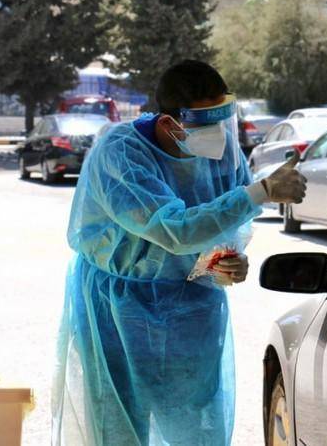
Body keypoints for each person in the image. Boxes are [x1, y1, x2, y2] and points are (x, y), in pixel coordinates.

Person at [51, 60, 306, 445]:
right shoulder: (121, 154)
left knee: (196, 425)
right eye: (206, 122)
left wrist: (223, 263)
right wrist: (263, 191)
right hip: (119, 310)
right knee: (120, 425)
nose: (218, 133)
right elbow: (174, 230)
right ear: (170, 123)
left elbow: (223, 231)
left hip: (193, 309)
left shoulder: (223, 154)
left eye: (222, 117)